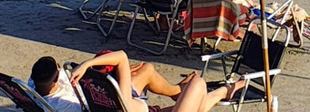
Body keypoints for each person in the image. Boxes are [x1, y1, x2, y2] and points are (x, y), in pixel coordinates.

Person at [68, 50, 244, 112]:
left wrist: (87, 67)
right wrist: (87, 63)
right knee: (197, 84)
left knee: (193, 99)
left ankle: (222, 92)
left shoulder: (92, 94)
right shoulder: (124, 100)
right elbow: (121, 56)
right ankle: (224, 91)